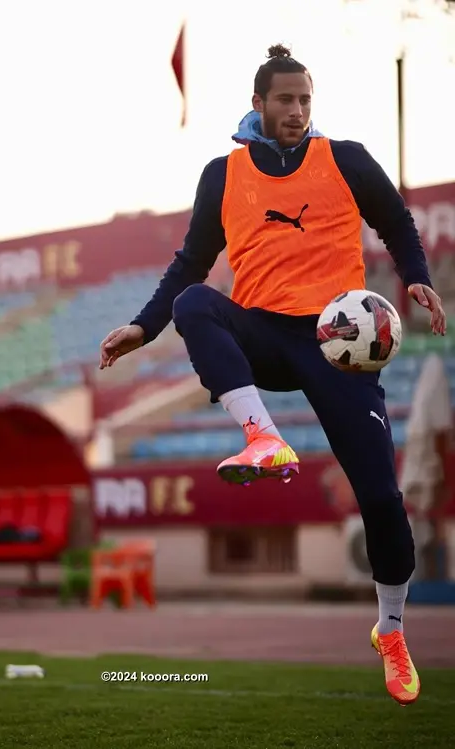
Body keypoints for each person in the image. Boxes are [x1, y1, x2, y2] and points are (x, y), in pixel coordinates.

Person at [99, 44, 447, 706]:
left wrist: (419, 280)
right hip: (261, 334)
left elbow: (397, 222)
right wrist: (144, 326)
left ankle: (392, 632)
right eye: (284, 100)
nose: (296, 111)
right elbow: (189, 264)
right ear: (258, 104)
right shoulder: (222, 174)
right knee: (193, 303)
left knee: (380, 497)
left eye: (305, 100)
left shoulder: (345, 158)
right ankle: (262, 436)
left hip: (335, 342)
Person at [400, 353, 453, 580]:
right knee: (429, 515)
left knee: (429, 517)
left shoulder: (423, 405)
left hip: (429, 461)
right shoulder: (430, 409)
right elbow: (441, 431)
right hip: (431, 464)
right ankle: (428, 571)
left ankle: (431, 570)